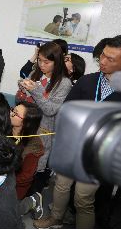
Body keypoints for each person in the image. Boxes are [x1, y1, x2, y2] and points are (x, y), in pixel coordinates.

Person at [34, 35, 121, 229]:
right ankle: (56, 217)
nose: (103, 61)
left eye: (111, 59)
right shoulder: (88, 81)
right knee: (61, 185)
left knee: (83, 198)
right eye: (102, 56)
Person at [18, 42, 72, 189]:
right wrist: (22, 91)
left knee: (34, 173)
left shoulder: (64, 83)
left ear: (57, 61)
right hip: (25, 126)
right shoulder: (35, 73)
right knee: (19, 169)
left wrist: (35, 91)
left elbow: (50, 110)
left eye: (46, 62)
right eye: (39, 60)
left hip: (42, 132)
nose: (41, 65)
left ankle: (34, 201)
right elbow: (22, 101)